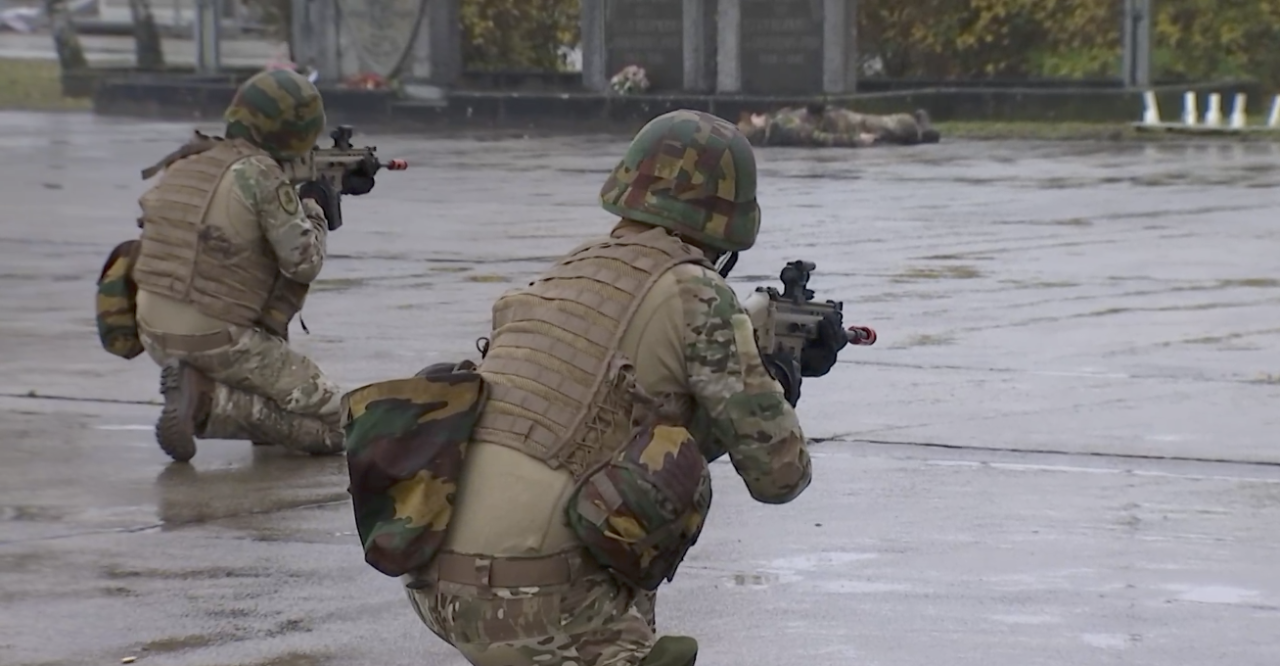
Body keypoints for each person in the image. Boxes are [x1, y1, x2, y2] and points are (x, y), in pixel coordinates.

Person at [401, 109, 849, 666]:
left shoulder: (565, 275)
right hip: (538, 601)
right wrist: (777, 379)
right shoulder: (700, 294)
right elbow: (780, 475)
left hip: (432, 579)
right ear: (729, 222)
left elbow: (615, 428)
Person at [129, 68, 368, 463]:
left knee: (278, 395)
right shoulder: (260, 175)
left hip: (153, 331)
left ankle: (217, 402)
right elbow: (303, 263)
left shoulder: (188, 160)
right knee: (344, 424)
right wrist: (315, 208)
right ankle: (207, 405)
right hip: (219, 339)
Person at [739, 103, 940, 147]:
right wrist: (854, 141)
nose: (756, 115)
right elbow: (818, 137)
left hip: (836, 118)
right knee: (894, 125)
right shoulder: (783, 128)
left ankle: (920, 132)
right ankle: (920, 129)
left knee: (888, 129)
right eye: (752, 119)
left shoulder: (778, 122)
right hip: (843, 124)